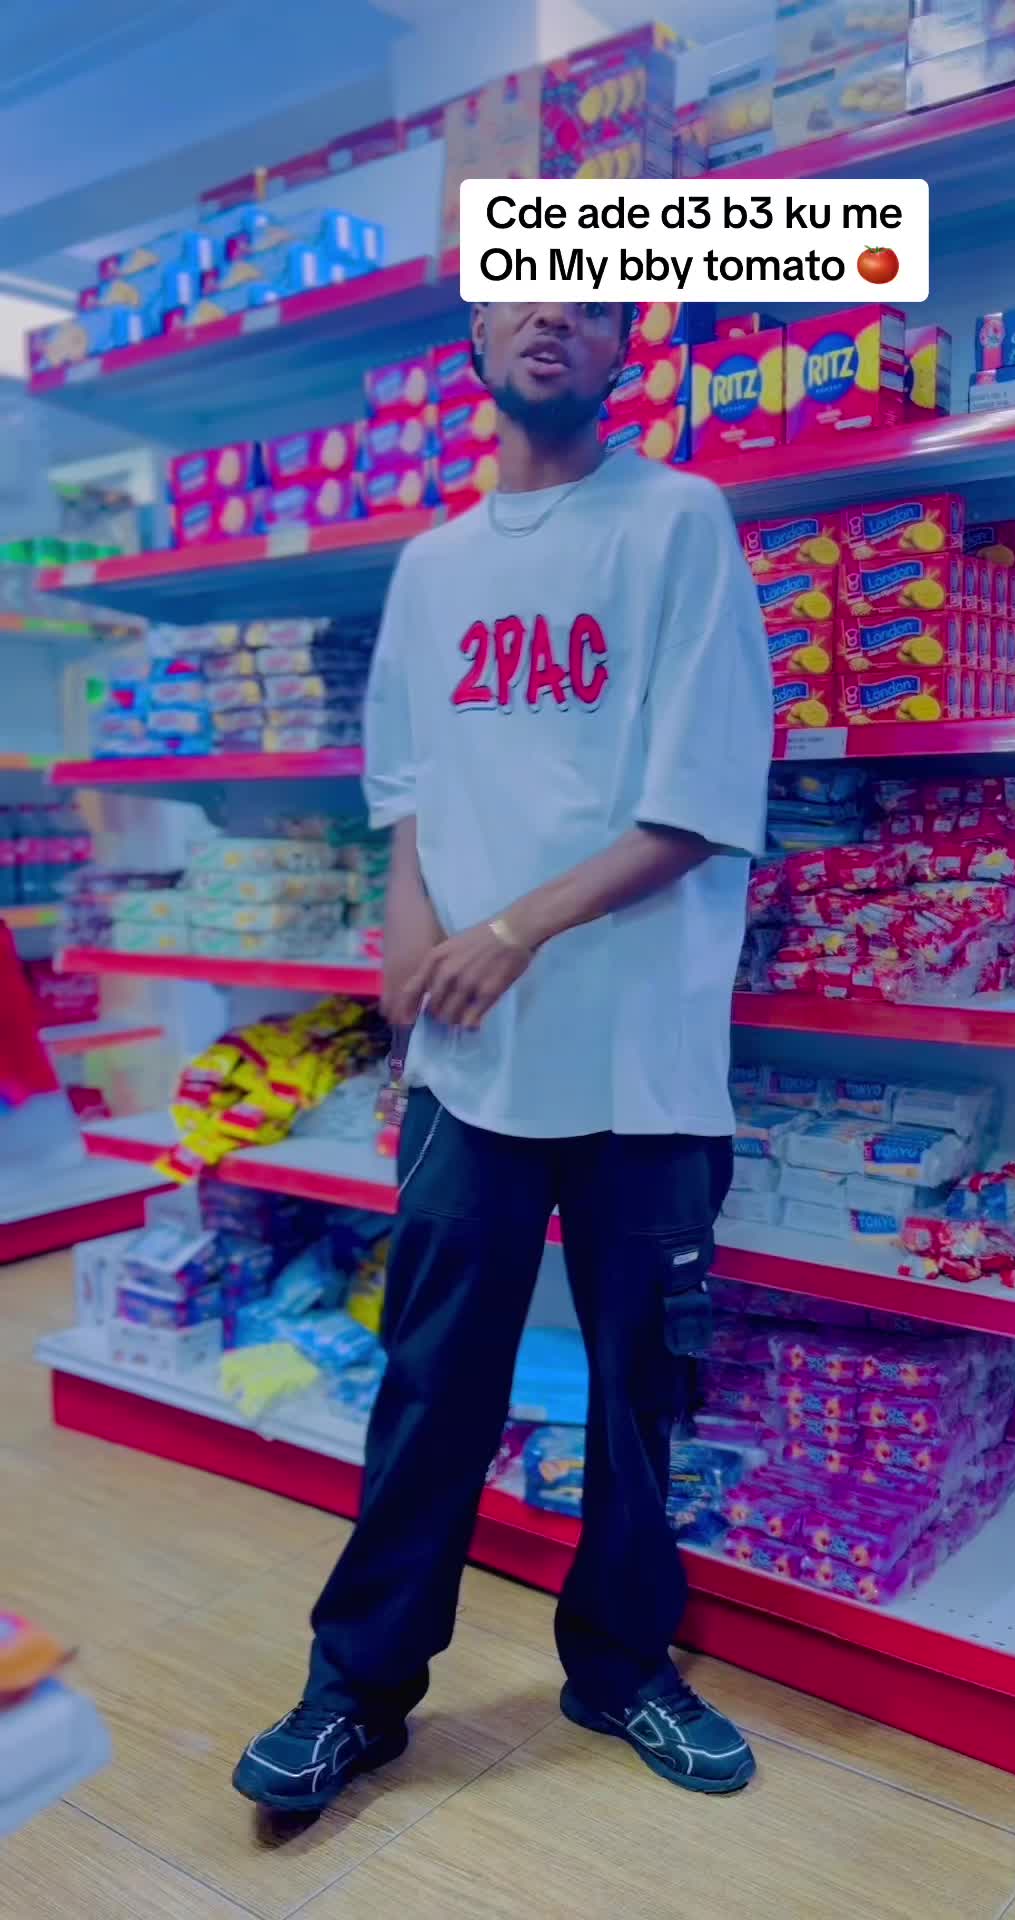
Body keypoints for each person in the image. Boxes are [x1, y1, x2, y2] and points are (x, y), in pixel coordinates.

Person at [234, 299, 772, 1813]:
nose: (552, 318)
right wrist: (409, 943)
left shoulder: (678, 522)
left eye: (587, 300)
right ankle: (356, 1691)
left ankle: (622, 1668)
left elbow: (701, 803)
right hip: (471, 1063)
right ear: (477, 340)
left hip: (643, 1060)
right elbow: (408, 789)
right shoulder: (433, 566)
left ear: (624, 348)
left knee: (638, 1396)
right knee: (428, 1384)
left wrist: (516, 928)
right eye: (521, 293)